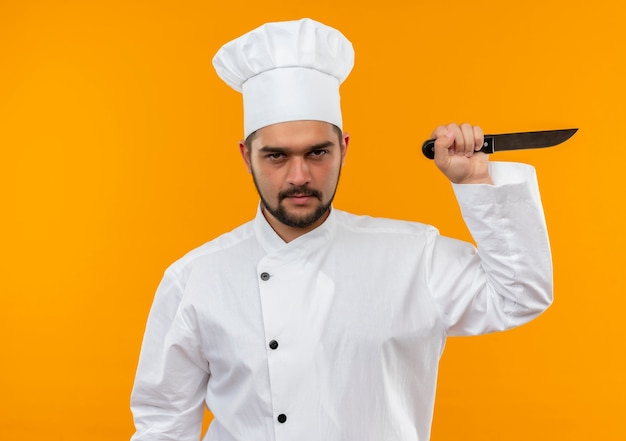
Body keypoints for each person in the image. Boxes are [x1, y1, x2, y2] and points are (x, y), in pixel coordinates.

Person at [130, 18, 553, 441]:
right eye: (276, 156)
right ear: (246, 157)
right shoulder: (196, 277)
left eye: (317, 152)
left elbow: (520, 296)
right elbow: (163, 421)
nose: (299, 176)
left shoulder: (412, 257)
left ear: (344, 149)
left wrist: (475, 182)